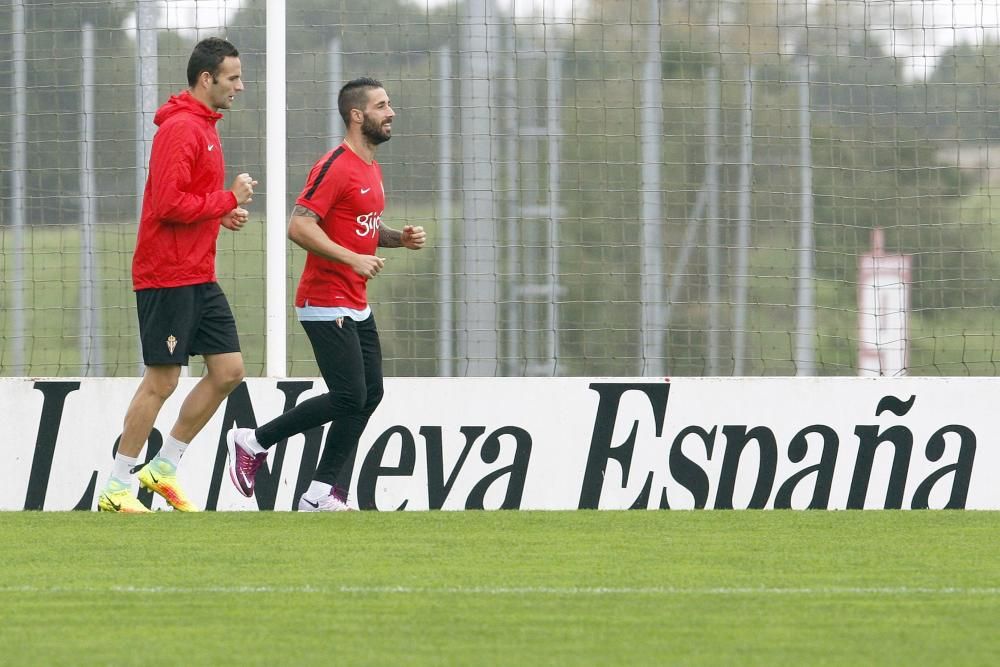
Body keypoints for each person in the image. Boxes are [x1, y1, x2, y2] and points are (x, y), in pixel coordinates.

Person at [226, 77, 425, 511]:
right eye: (381, 105)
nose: (391, 112)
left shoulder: (371, 167)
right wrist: (353, 260)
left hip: (355, 301)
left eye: (389, 104)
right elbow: (299, 226)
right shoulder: (335, 165)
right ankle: (253, 441)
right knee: (349, 396)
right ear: (358, 115)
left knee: (370, 394)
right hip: (324, 299)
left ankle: (320, 492)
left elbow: (361, 232)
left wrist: (397, 238)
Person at [97, 37, 257, 513]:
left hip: (198, 274)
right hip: (166, 274)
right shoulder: (183, 129)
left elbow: (189, 199)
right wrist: (227, 200)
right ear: (206, 78)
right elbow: (166, 205)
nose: (239, 86)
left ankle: (163, 468)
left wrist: (219, 213)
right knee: (162, 381)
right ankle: (115, 487)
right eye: (232, 77)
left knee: (229, 372)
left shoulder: (206, 127)